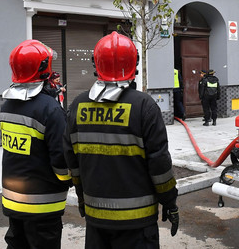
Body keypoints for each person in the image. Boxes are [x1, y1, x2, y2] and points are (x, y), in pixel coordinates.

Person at [64, 32, 179, 249]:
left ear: (96, 65)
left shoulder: (78, 105)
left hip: (96, 219)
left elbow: (73, 162)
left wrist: (81, 198)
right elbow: (159, 164)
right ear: (133, 64)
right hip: (137, 224)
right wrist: (170, 202)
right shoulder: (144, 106)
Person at [0, 39, 72, 249]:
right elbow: (60, 159)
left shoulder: (7, 105)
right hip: (42, 205)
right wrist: (68, 179)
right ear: (43, 69)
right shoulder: (49, 109)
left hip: (12, 200)